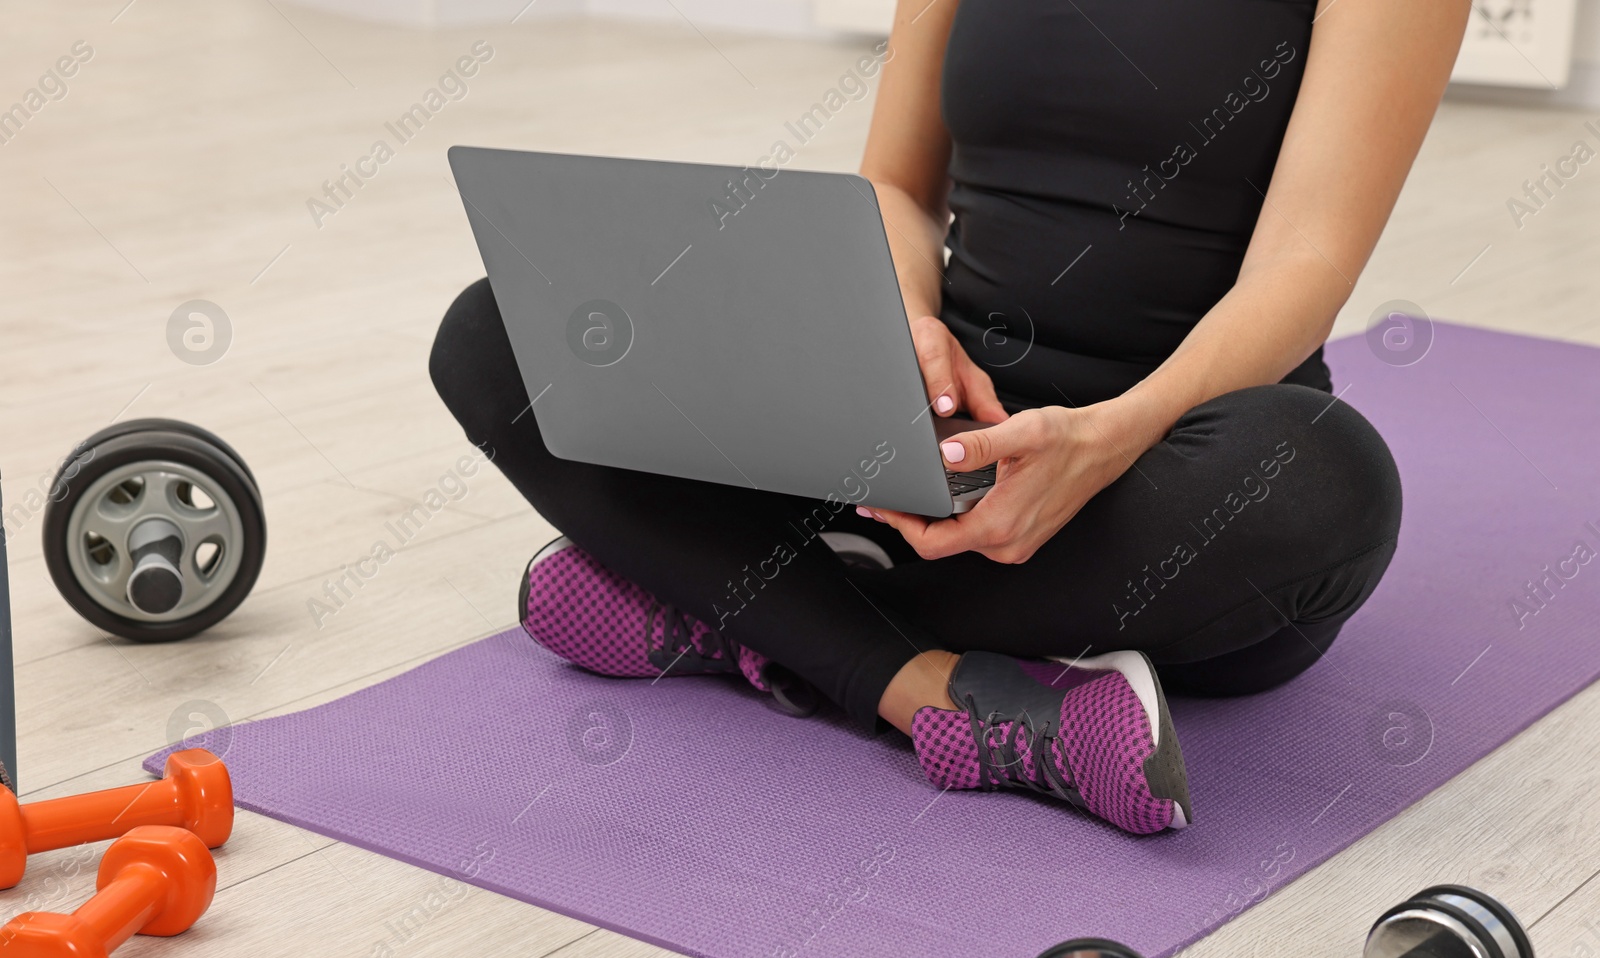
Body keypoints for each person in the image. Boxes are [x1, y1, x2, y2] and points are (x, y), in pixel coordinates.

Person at [430, 0, 1467, 835]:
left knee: (1327, 486)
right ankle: (926, 689)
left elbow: (1307, 263)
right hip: (931, 428)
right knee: (501, 329)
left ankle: (738, 607)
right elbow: (898, 188)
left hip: (1160, 466)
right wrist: (908, 329)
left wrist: (1109, 437)